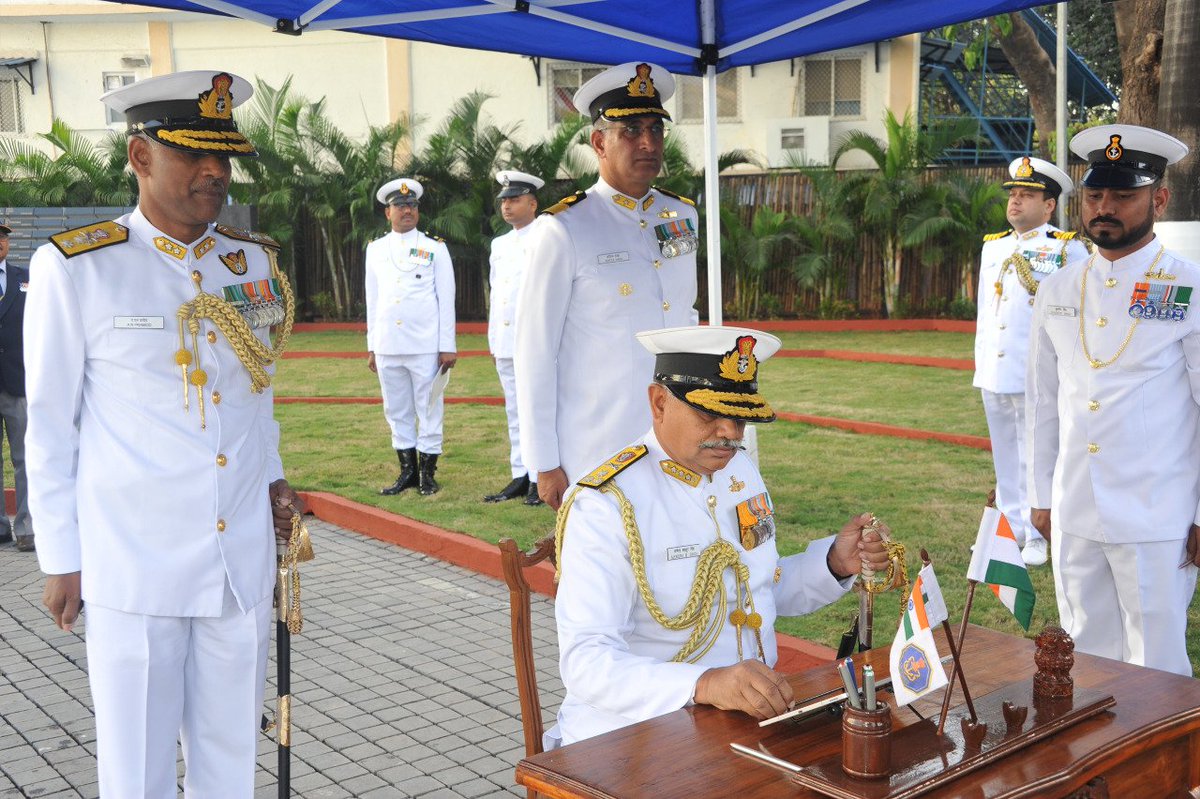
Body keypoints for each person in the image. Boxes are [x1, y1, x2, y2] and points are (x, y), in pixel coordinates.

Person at [24, 70, 305, 796]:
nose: (215, 171)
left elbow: (254, 394)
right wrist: (62, 556)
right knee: (138, 770)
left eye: (224, 156)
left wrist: (272, 478)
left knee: (228, 762)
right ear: (140, 155)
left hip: (236, 565)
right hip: (134, 565)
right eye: (193, 155)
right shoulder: (78, 267)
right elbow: (50, 425)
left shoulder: (250, 263)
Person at [550, 325, 890, 746]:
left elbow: (758, 590)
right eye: (710, 414)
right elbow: (587, 663)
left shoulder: (738, 472)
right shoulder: (606, 504)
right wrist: (705, 684)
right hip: (633, 736)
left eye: (740, 417)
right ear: (659, 403)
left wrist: (834, 563)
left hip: (742, 723)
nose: (730, 433)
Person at [1027, 124, 1197, 677]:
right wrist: (1041, 496)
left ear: (1159, 199)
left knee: (1158, 663)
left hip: (1158, 510)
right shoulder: (1057, 289)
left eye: (1124, 196)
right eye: (1096, 195)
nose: (1105, 207)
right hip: (1075, 504)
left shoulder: (1187, 287)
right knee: (1086, 656)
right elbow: (1044, 403)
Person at [515, 61, 700, 510]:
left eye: (656, 130)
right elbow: (535, 351)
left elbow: (686, 317)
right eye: (631, 130)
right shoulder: (563, 228)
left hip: (676, 432)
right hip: (599, 444)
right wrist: (544, 461)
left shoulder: (682, 216)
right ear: (599, 142)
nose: (648, 142)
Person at [974, 157, 1089, 567]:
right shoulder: (995, 246)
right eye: (1014, 194)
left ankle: (1040, 531)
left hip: (1038, 372)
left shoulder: (1067, 248)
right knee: (1005, 454)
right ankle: (1009, 530)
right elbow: (988, 313)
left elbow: (1077, 312)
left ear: (1050, 205)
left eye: (1027, 195)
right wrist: (982, 364)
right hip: (995, 371)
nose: (1016, 201)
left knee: (1039, 454)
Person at [365, 178, 457, 497]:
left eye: (412, 206)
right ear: (387, 212)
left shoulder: (435, 248)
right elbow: (373, 300)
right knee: (396, 410)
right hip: (389, 344)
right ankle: (407, 472)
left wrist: (447, 346)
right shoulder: (375, 250)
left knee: (429, 408)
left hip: (425, 346)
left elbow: (446, 298)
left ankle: (427, 475)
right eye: (401, 206)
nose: (407, 210)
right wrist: (373, 347)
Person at [483, 169, 544, 506]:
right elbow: (499, 294)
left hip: (534, 342)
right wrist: (495, 341)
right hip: (506, 342)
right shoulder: (500, 244)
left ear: (533, 203)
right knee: (514, 411)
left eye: (514, 199)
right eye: (503, 200)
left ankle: (539, 476)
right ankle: (520, 473)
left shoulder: (546, 235)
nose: (506, 206)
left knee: (536, 410)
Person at [0, 222, 32, 552]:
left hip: (17, 380)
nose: (0, 242)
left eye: (3, 237)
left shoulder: (26, 278)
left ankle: (26, 526)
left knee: (24, 458)